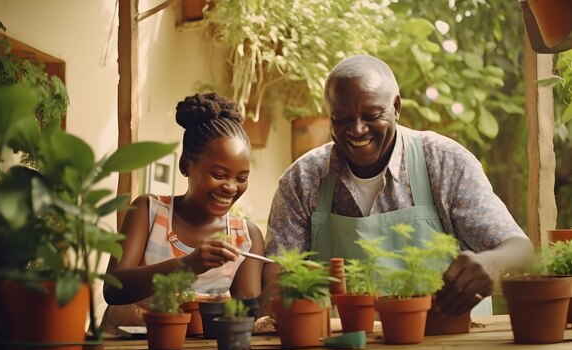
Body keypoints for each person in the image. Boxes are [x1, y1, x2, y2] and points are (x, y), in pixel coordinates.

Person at [263, 55, 533, 316]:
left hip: (447, 338)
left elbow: (519, 249)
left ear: (397, 107)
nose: (356, 129)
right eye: (342, 118)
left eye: (371, 115)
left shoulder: (443, 162)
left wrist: (490, 263)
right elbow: (277, 279)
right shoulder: (303, 179)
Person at [102, 92, 264, 334]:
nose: (230, 186)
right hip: (125, 344)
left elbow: (246, 313)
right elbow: (114, 290)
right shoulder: (148, 211)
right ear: (186, 165)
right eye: (219, 175)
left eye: (241, 178)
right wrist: (187, 265)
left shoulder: (245, 237)